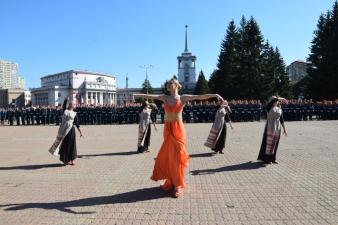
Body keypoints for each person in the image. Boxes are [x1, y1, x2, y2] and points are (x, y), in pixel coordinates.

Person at [133, 78, 223, 198]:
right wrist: (136, 94)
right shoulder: (165, 98)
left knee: (178, 154)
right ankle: (171, 181)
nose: (169, 85)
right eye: (168, 84)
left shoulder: (183, 97)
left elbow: (198, 96)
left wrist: (214, 95)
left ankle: (178, 185)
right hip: (168, 128)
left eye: (171, 83)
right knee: (170, 155)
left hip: (178, 129)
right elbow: (150, 96)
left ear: (176, 85)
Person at [49, 95, 84, 165]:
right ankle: (65, 160)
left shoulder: (75, 113)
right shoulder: (65, 110)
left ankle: (72, 159)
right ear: (69, 105)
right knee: (65, 144)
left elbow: (77, 124)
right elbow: (64, 105)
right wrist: (67, 97)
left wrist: (81, 132)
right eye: (71, 104)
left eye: (73, 104)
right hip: (64, 130)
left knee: (72, 145)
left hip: (71, 130)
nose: (72, 105)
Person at [257, 96, 287, 164]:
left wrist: (284, 129)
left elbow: (281, 120)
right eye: (275, 100)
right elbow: (273, 101)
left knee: (275, 143)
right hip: (270, 127)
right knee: (269, 144)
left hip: (277, 128)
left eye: (276, 100)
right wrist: (282, 98)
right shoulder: (269, 107)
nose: (276, 101)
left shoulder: (279, 109)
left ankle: (273, 159)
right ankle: (266, 159)